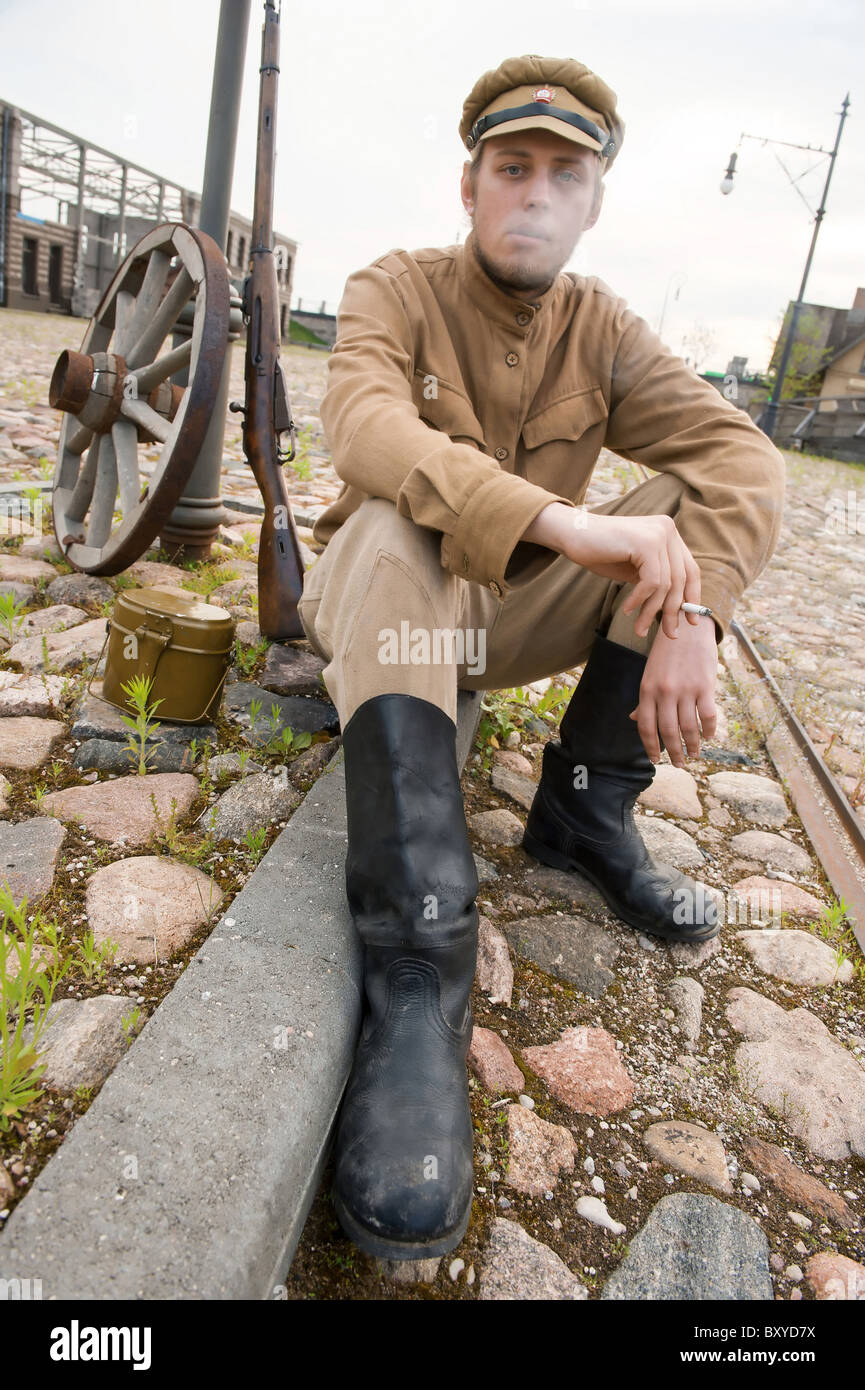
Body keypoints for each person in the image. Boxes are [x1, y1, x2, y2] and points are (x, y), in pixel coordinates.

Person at [296, 53, 786, 1262]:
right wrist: (569, 522)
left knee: (689, 504)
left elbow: (743, 465)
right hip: (395, 612)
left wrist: (690, 616)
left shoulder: (603, 328)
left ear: (594, 201)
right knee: (393, 509)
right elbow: (363, 426)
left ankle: (584, 808)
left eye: (563, 174)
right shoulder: (395, 288)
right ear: (470, 185)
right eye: (510, 168)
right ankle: (418, 976)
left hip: (500, 627)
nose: (534, 193)